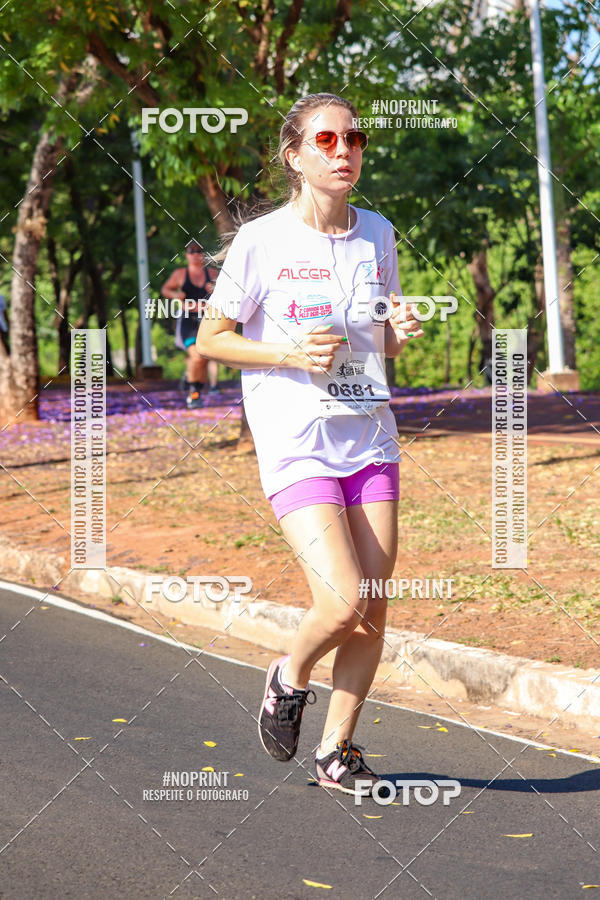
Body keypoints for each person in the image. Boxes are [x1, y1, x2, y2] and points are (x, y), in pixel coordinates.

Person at [197, 92, 423, 795]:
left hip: (369, 434)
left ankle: (337, 752)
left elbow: (377, 339)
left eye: (353, 139)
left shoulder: (377, 233)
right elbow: (211, 340)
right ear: (295, 156)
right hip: (296, 438)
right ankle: (288, 676)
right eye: (326, 141)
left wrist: (398, 330)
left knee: (375, 602)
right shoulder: (263, 241)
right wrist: (290, 353)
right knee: (343, 598)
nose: (344, 151)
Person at [161, 241, 219, 408]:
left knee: (205, 359)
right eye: (191, 251)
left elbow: (226, 290)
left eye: (199, 251)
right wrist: (176, 295)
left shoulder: (212, 273)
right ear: (187, 255)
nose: (196, 254)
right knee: (196, 355)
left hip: (207, 319)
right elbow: (166, 289)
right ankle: (193, 393)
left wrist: (215, 289)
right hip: (188, 319)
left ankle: (196, 389)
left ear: (204, 254)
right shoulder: (180, 274)